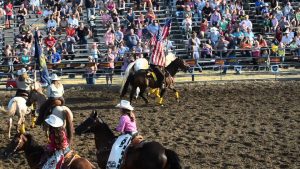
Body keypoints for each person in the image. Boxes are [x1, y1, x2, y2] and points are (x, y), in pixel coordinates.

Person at [107, 100, 137, 169]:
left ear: (123, 109)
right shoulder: (132, 115)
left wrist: (116, 129)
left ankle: (114, 164)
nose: (119, 110)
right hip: (135, 133)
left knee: (116, 146)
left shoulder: (123, 117)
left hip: (128, 135)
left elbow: (120, 129)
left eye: (120, 108)